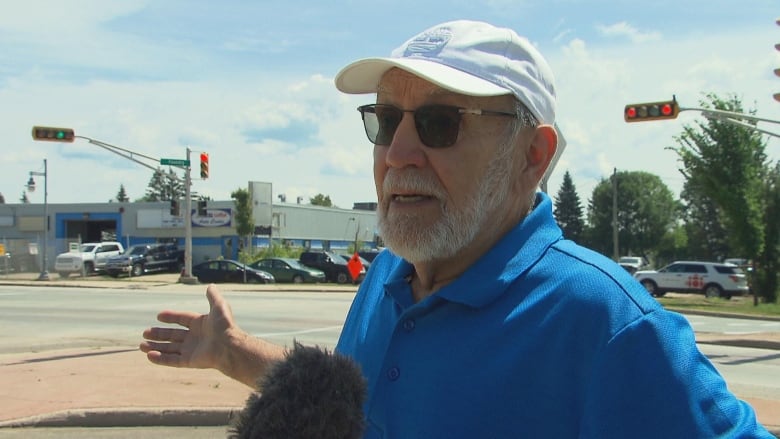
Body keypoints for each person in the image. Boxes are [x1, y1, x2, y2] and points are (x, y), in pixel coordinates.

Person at [141, 20, 773, 437]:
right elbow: (366, 399)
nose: (399, 154)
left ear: (532, 155)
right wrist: (232, 352)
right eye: (386, 121)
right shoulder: (391, 274)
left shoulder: (609, 324)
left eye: (440, 123)